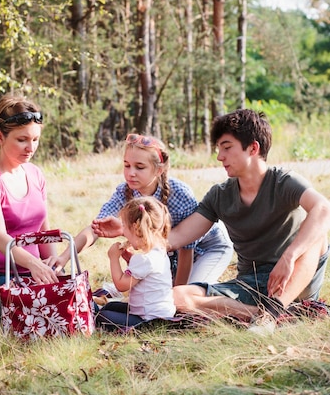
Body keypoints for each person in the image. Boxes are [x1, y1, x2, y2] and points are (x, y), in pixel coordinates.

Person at [93, 109, 330, 334]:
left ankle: (274, 312)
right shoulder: (220, 195)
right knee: (176, 297)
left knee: (318, 236)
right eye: (218, 149)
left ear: (253, 148)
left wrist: (289, 257)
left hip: (296, 277)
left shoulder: (283, 181)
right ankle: (266, 315)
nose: (219, 157)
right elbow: (175, 239)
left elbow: (323, 208)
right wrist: (129, 229)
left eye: (226, 148)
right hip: (251, 283)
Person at [53, 133, 233, 286]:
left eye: (139, 167)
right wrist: (63, 257)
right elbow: (95, 229)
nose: (131, 173)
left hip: (209, 248)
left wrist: (175, 299)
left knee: (189, 298)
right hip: (170, 253)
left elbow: (187, 250)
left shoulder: (179, 194)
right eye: (126, 165)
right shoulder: (125, 192)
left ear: (158, 170)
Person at [0, 93, 59, 320]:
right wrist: (35, 264)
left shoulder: (35, 174)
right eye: (22, 139)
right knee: (42, 309)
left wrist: (53, 266)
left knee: (67, 296)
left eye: (35, 139)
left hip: (30, 272)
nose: (30, 147)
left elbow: (43, 230)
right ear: (0, 137)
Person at [95, 196, 176, 330]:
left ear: (135, 228)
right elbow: (141, 277)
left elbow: (122, 285)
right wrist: (129, 260)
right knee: (110, 307)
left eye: (124, 227)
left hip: (149, 319)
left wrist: (113, 258)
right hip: (161, 313)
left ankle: (142, 329)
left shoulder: (143, 259)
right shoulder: (159, 252)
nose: (123, 233)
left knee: (102, 316)